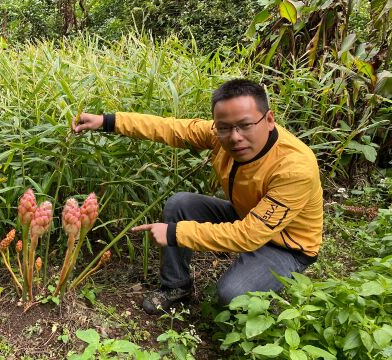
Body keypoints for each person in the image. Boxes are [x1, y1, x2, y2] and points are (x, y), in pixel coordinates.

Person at [72, 79, 323, 315]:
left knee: (232, 295)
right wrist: (107, 121)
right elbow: (170, 128)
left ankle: (270, 290)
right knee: (180, 204)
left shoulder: (294, 168)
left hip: (286, 245)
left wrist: (175, 233)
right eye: (224, 127)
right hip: (246, 213)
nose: (235, 137)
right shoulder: (219, 134)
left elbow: (250, 235)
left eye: (245, 125)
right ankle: (176, 285)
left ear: (268, 119)